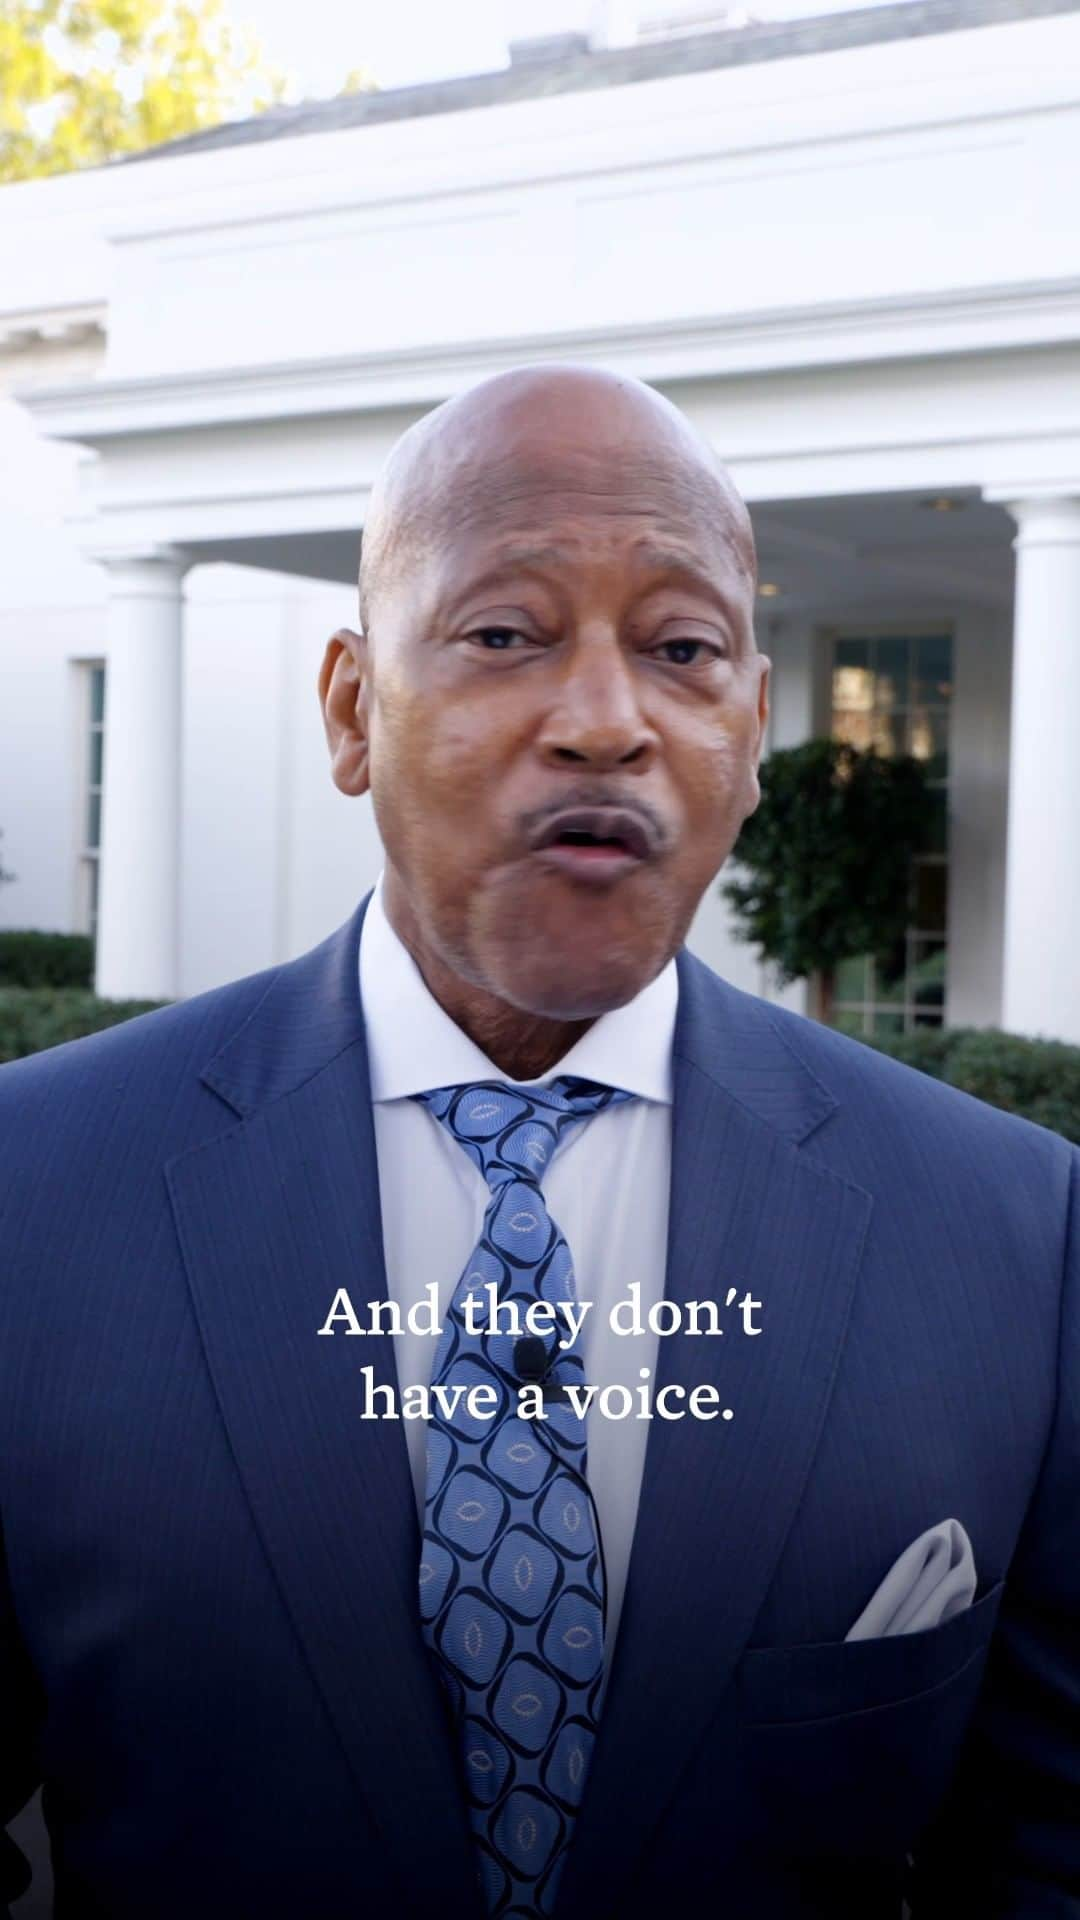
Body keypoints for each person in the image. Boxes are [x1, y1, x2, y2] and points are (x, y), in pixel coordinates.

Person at [0, 365, 1076, 1920]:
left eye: (681, 648)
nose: (603, 721)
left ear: (755, 730)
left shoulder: (1016, 1237)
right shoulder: (36, 1199)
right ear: (355, 708)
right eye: (505, 633)